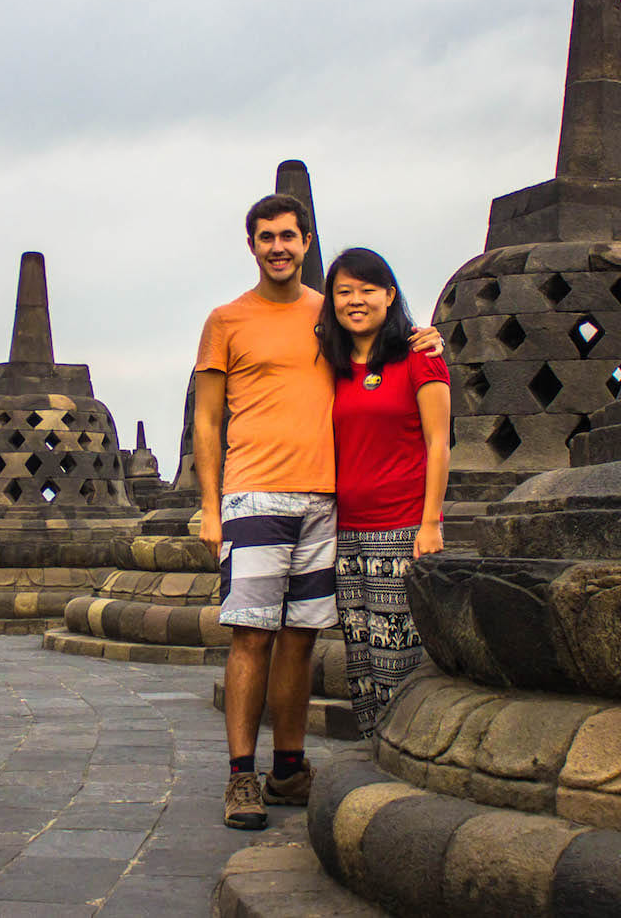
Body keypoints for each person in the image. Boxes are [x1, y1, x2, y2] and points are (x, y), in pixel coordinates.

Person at [195, 197, 441, 830]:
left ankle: (288, 766)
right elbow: (208, 418)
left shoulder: (327, 314)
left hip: (323, 501)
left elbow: (382, 346)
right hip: (254, 494)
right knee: (251, 634)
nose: (279, 247)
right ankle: (240, 777)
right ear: (251, 245)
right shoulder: (226, 319)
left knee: (301, 639)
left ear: (307, 243)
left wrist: (429, 336)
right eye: (266, 237)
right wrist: (209, 505)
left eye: (290, 237)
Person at [320, 247, 451, 739]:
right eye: (344, 292)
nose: (356, 301)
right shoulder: (333, 367)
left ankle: (407, 752)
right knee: (360, 659)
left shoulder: (418, 357)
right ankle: (376, 748)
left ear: (390, 295)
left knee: (399, 657)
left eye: (368, 290)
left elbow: (439, 443)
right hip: (346, 533)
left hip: (400, 530)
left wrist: (431, 522)